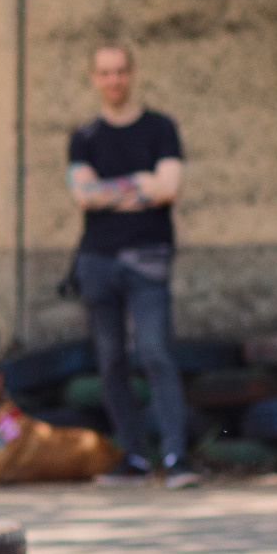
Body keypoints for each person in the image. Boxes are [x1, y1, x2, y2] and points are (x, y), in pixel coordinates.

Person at [67, 45, 196, 488]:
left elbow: (168, 188)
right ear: (94, 79)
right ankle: (135, 459)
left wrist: (112, 192)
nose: (114, 79)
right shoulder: (84, 136)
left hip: (149, 261)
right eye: (104, 72)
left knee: (157, 354)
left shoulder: (161, 128)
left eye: (121, 71)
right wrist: (139, 183)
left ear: (132, 74)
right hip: (97, 262)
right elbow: (84, 196)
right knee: (110, 361)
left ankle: (177, 459)